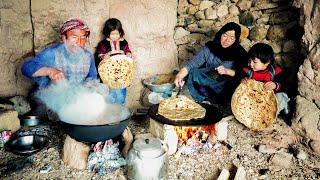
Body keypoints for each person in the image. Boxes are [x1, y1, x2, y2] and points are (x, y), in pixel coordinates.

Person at [21, 18, 98, 117]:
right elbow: (26, 67)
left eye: (83, 38)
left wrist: (89, 90)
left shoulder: (88, 56)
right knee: (44, 110)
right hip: (49, 96)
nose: (79, 42)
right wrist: (50, 71)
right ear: (64, 38)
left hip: (74, 97)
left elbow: (92, 79)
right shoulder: (53, 52)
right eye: (74, 37)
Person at [174, 22, 248, 104]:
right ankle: (200, 99)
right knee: (193, 72)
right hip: (207, 82)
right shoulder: (211, 47)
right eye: (225, 36)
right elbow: (192, 64)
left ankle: (215, 100)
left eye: (232, 38)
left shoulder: (240, 54)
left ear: (236, 39)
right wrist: (179, 75)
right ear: (220, 34)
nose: (227, 40)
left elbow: (244, 74)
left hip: (225, 88)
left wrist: (227, 71)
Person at [242, 43, 290, 114]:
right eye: (250, 60)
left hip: (269, 100)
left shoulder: (276, 71)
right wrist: (243, 80)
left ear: (267, 62)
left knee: (281, 97)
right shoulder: (247, 70)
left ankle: (280, 112)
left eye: (255, 62)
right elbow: (239, 78)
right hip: (254, 99)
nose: (250, 64)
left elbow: (286, 86)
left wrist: (275, 85)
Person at [95, 18, 132, 105]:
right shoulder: (103, 44)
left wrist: (128, 53)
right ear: (107, 33)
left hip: (122, 72)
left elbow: (127, 50)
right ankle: (110, 108)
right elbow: (99, 55)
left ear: (120, 32)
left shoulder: (124, 42)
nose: (114, 36)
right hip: (109, 73)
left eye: (117, 34)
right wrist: (104, 56)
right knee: (110, 92)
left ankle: (120, 106)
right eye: (112, 34)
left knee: (121, 90)